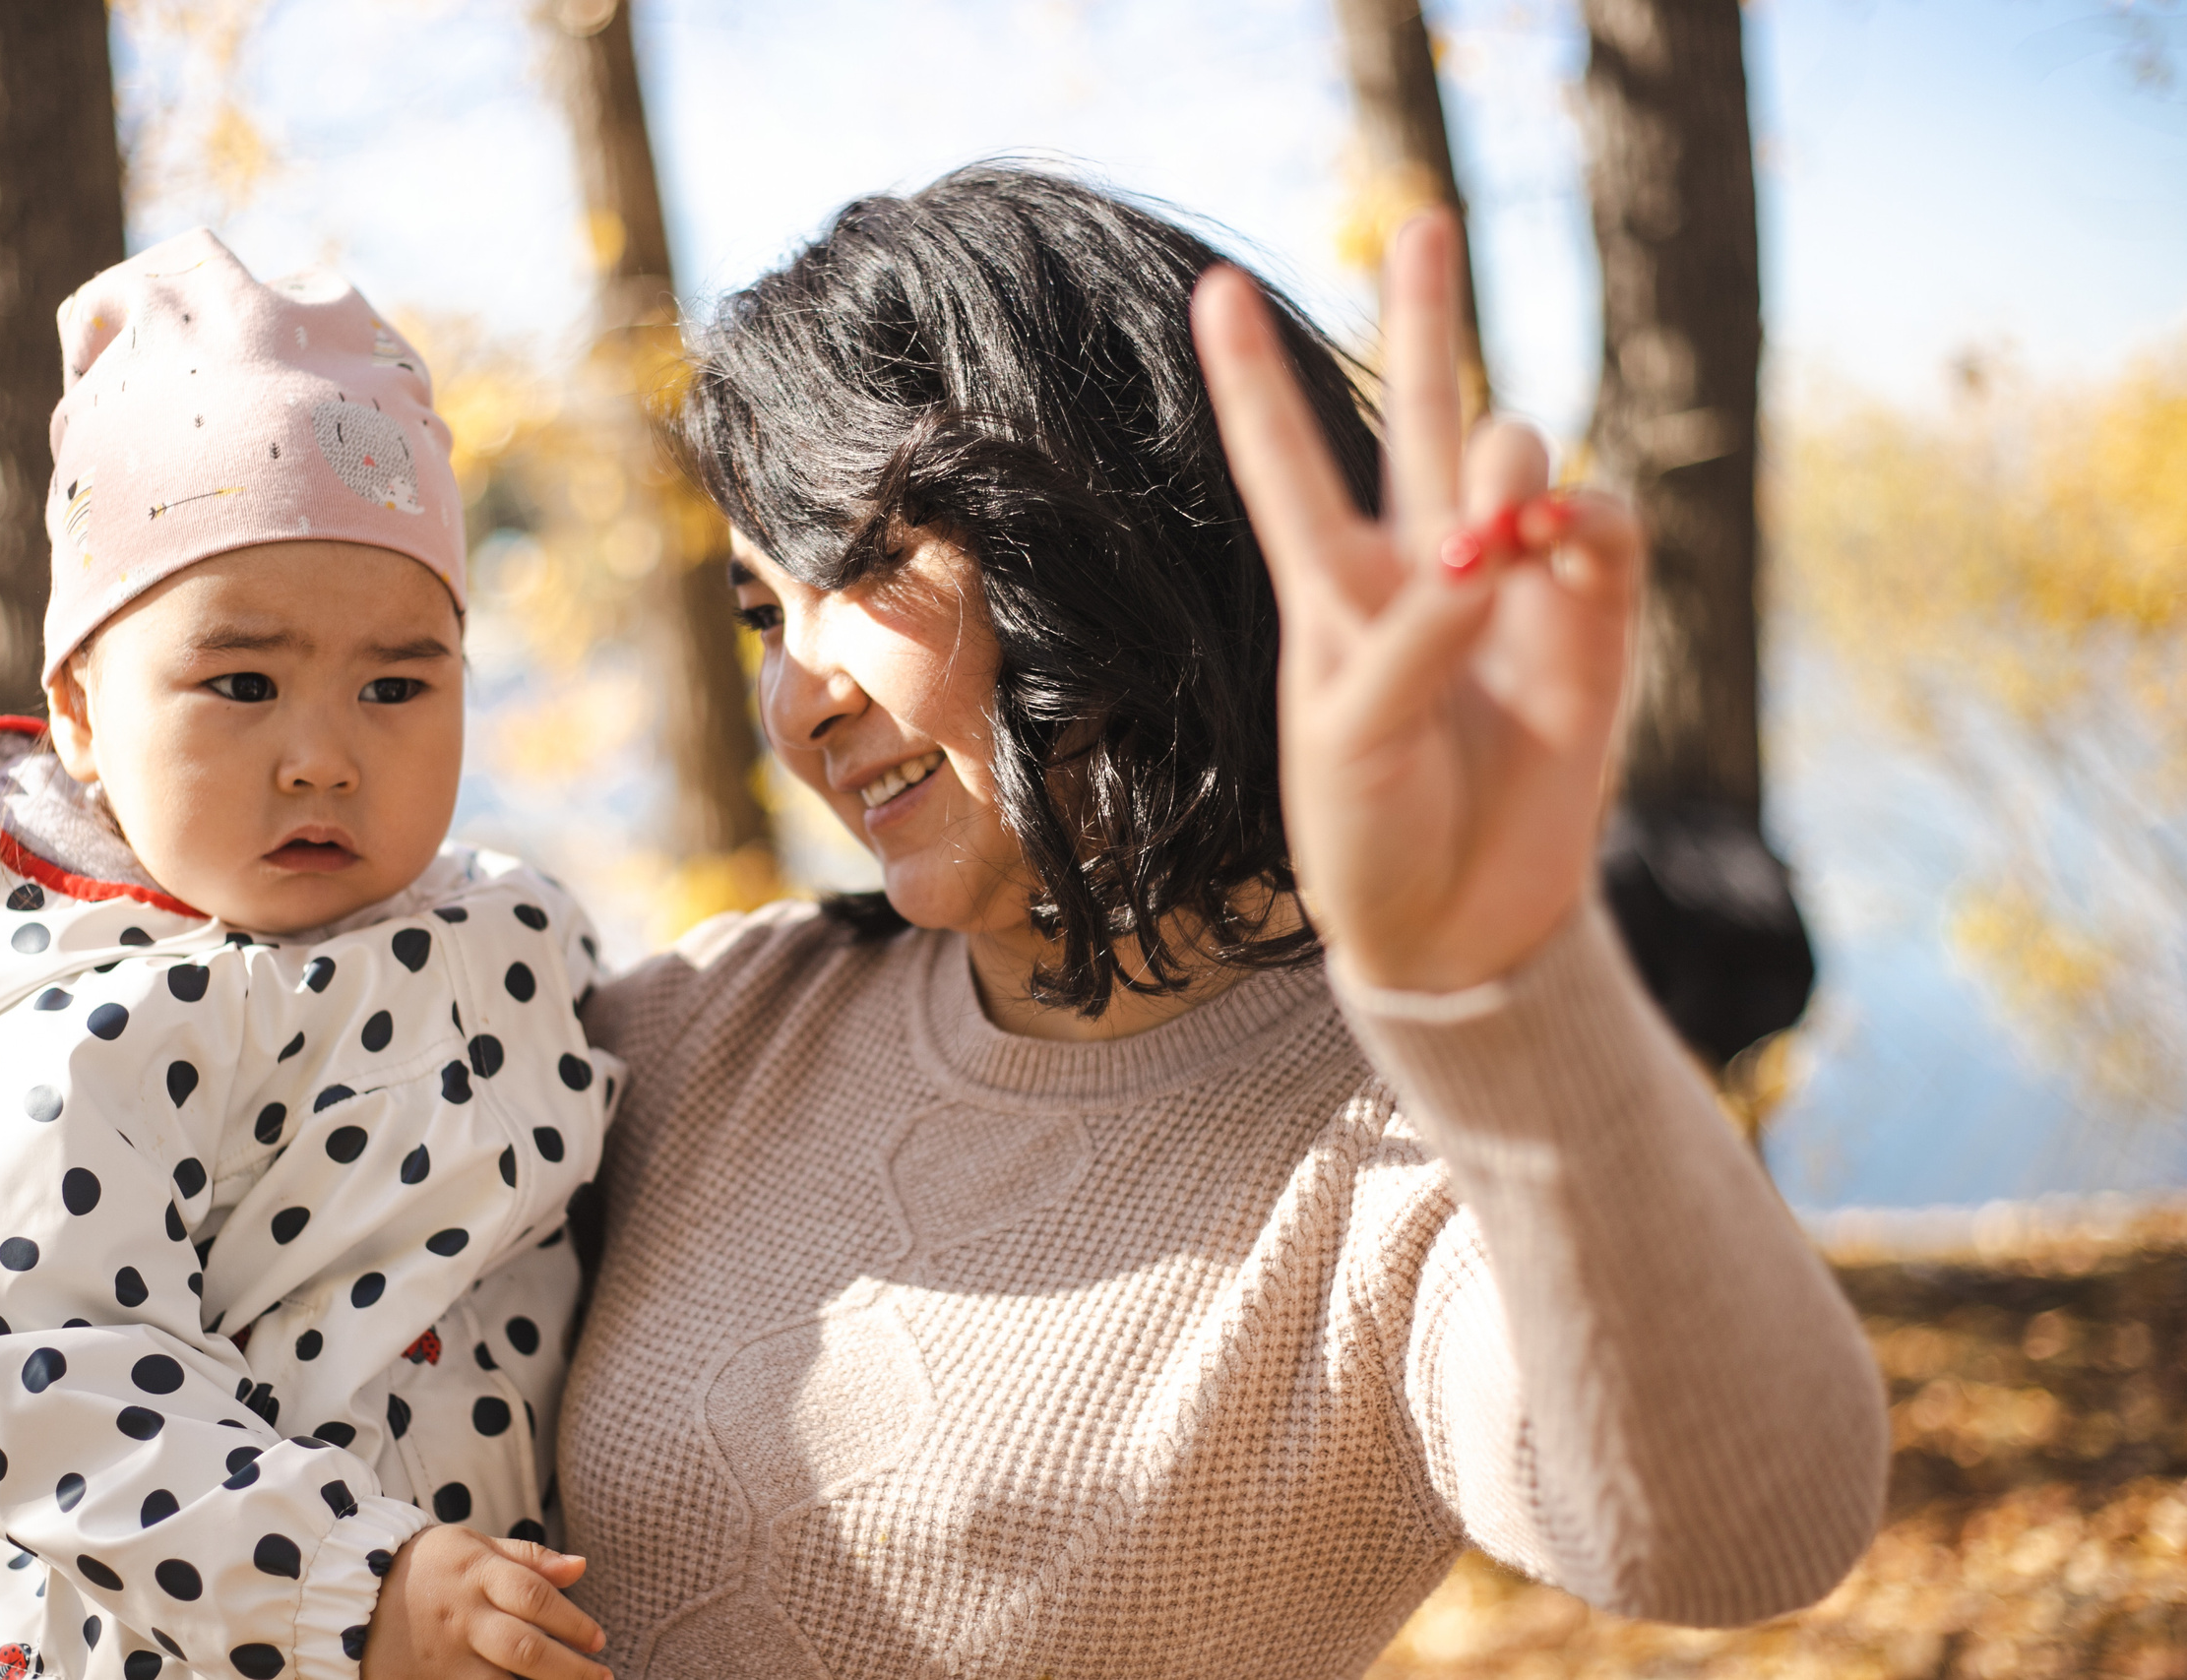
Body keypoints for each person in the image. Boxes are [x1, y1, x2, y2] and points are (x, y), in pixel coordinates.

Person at [556, 165, 1891, 1678]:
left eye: (864, 566)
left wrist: (1504, 989)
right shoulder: (708, 1025)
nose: (799, 702)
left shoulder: (1399, 1148)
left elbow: (1745, 1535)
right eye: (759, 614)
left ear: (1108, 534)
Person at [0, 231, 617, 1680]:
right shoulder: (62, 1026)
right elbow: (28, 1361)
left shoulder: (513, 932)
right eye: (239, 682)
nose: (322, 757)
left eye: (395, 684)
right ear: (77, 712)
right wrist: (347, 1585)